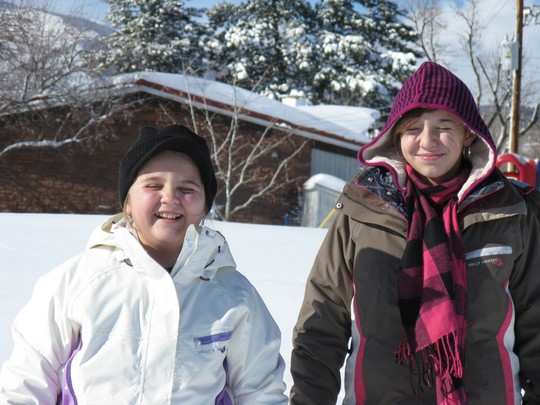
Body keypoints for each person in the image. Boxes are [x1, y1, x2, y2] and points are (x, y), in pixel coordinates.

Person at [290, 61, 540, 404]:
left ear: (468, 133)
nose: (427, 140)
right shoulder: (363, 210)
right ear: (396, 135)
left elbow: (537, 324)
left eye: (444, 126)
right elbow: (322, 323)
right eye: (413, 127)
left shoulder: (510, 212)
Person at [0, 124, 288, 404]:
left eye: (187, 188)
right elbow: (25, 386)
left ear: (204, 206)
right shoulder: (75, 283)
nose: (170, 197)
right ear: (127, 202)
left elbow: (261, 393)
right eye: (153, 185)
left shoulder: (234, 296)